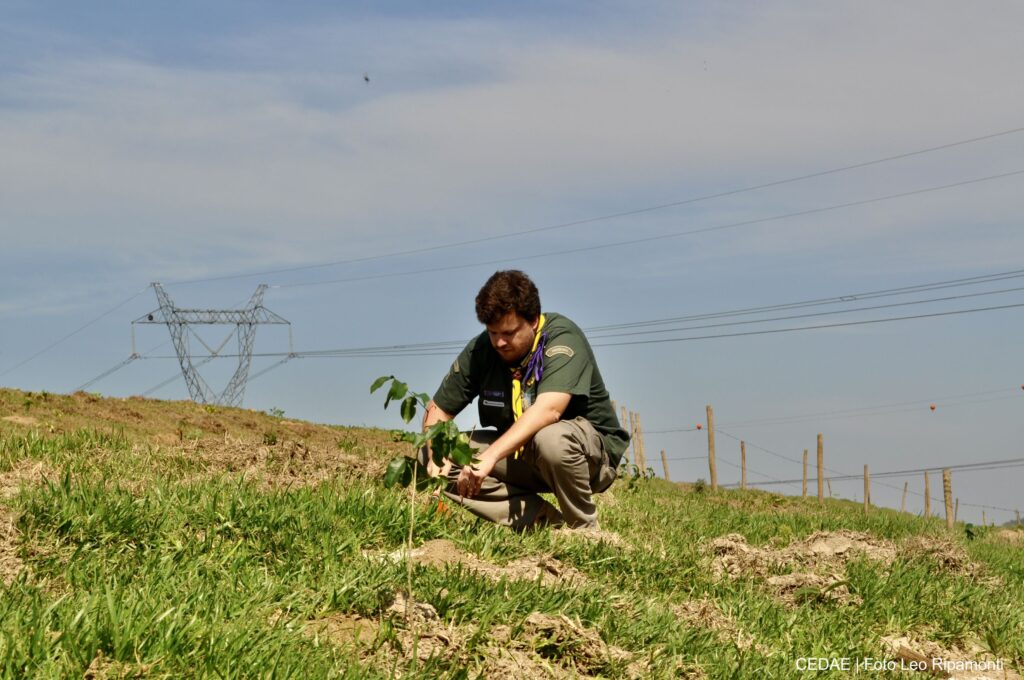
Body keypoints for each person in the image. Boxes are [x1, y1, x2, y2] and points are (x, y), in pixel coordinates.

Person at [421, 270, 629, 530]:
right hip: (525, 455)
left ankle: (584, 530)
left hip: (588, 459)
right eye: (492, 332)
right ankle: (544, 523)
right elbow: (438, 410)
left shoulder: (562, 338)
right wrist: (436, 457)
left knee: (551, 439)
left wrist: (490, 456)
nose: (499, 342)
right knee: (434, 449)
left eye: (508, 332)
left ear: (533, 321)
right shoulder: (482, 350)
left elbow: (549, 410)